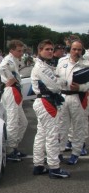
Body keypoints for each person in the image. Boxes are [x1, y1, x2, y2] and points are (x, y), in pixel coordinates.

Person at [31, 39, 70, 178]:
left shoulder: (45, 65)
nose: (50, 51)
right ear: (39, 51)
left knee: (41, 135)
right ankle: (54, 168)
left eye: (51, 49)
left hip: (45, 101)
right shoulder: (41, 67)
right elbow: (55, 86)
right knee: (52, 135)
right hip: (46, 102)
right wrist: (62, 81)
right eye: (46, 49)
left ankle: (38, 165)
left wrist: (58, 80)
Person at [0, 40, 28, 161]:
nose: (21, 53)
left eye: (22, 51)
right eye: (19, 51)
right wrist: (9, 79)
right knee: (12, 121)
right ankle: (10, 150)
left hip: (15, 91)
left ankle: (13, 146)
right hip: (11, 91)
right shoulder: (8, 60)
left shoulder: (14, 60)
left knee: (23, 122)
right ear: (11, 50)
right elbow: (0, 68)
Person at [56, 40, 89, 165]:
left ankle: (76, 153)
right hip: (63, 96)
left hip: (78, 97)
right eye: (74, 49)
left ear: (82, 51)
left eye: (79, 49)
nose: (76, 52)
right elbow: (56, 76)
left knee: (78, 126)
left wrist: (80, 88)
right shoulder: (61, 61)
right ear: (70, 49)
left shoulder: (86, 64)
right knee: (61, 126)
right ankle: (59, 151)